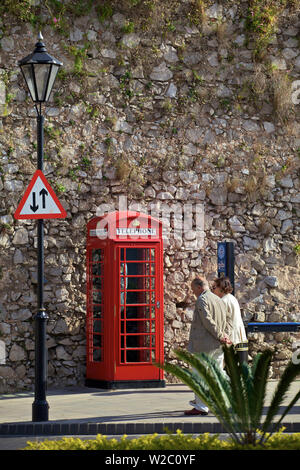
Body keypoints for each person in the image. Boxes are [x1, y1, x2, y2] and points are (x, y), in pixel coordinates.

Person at [185, 277, 231, 416]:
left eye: (193, 290)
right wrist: (225, 335)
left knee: (200, 375)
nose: (193, 293)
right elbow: (228, 319)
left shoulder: (202, 300)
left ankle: (201, 406)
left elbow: (207, 321)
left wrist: (220, 335)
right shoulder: (219, 299)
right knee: (217, 374)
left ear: (199, 287)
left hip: (204, 345)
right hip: (218, 345)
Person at [211, 277, 247, 346]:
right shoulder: (231, 297)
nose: (212, 290)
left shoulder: (223, 301)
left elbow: (222, 321)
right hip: (238, 334)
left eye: (214, 287)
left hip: (231, 335)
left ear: (220, 288)